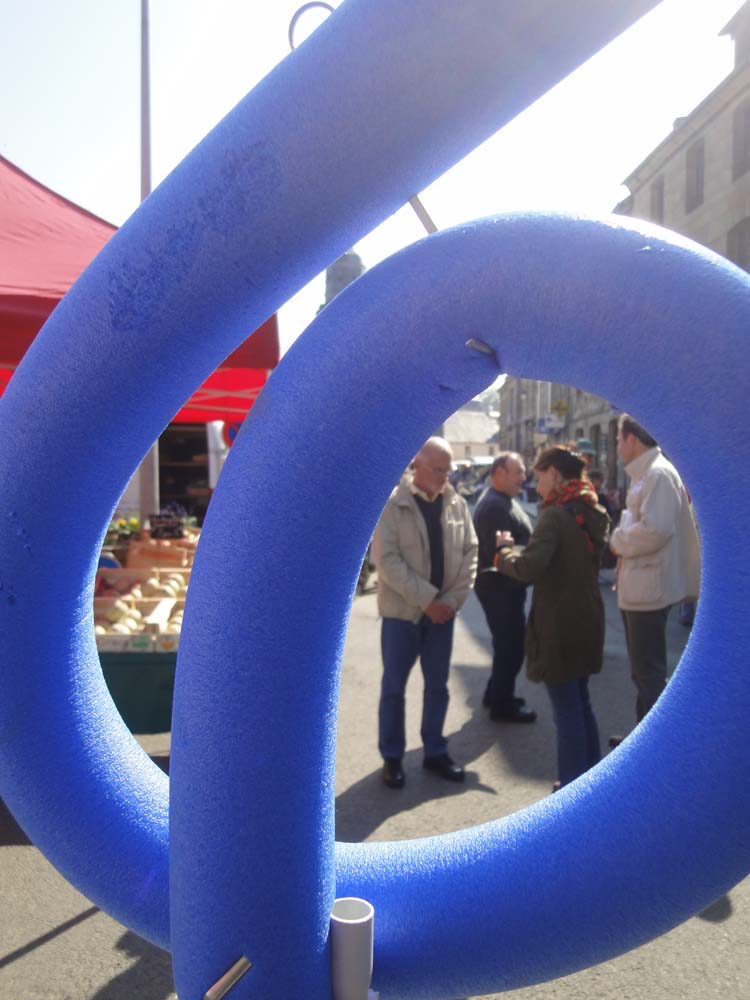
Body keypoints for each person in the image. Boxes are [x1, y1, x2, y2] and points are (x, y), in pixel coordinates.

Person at [494, 446, 610, 788]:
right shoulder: (592, 508)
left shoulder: (555, 515)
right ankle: (591, 778)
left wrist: (503, 552)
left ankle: (573, 788)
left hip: (560, 626)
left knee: (567, 710)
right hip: (588, 619)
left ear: (556, 474)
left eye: (539, 474)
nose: (535, 481)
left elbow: (528, 567)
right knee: (580, 702)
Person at [373, 436, 478, 788]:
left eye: (448, 470)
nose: (444, 476)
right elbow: (386, 562)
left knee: (438, 687)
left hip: (443, 615)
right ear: (417, 464)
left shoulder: (457, 504)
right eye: (438, 469)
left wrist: (450, 603)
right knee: (394, 688)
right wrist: (428, 601)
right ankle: (392, 757)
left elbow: (470, 555)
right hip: (402, 615)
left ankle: (434, 751)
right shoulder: (392, 505)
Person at [609, 415, 700, 723]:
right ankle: (641, 739)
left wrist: (617, 541)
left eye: (619, 439)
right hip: (641, 588)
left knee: (649, 674)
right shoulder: (646, 473)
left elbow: (655, 530)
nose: (617, 446)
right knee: (643, 673)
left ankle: (651, 749)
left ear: (632, 438)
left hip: (648, 592)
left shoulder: (657, 474)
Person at [473, 453, 537, 722]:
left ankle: (496, 693)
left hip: (505, 589)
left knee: (506, 646)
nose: (524, 477)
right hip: (499, 589)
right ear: (499, 472)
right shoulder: (495, 507)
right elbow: (500, 555)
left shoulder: (503, 501)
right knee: (511, 647)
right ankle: (502, 704)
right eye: (518, 472)